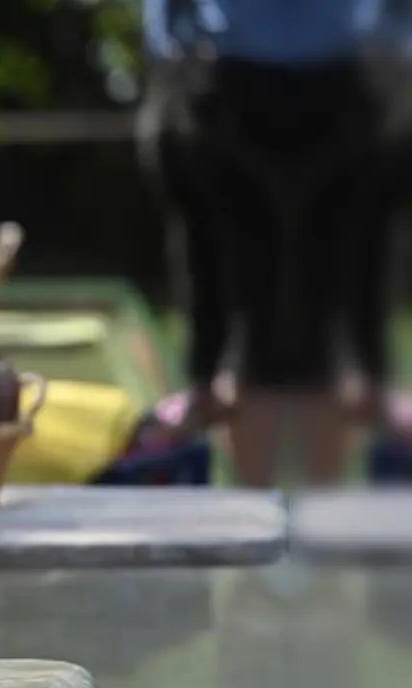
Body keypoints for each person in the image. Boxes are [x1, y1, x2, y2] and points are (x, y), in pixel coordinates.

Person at [138, 0, 408, 486]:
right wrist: (169, 45)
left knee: (323, 333)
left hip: (344, 80)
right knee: (254, 326)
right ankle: (258, 528)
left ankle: (320, 539)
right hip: (234, 79)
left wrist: (400, 45)